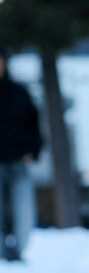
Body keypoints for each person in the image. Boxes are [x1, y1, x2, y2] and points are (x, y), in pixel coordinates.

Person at [0, 45, 42, 261]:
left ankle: (19, 249)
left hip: (18, 160)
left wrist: (33, 151)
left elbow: (34, 124)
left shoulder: (19, 93)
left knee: (22, 209)